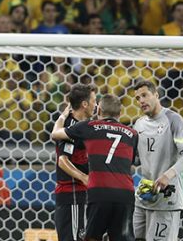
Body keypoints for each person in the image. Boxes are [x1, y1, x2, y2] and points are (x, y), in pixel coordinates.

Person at [52, 94, 138, 241]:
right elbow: (130, 162)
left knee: (92, 237)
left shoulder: (89, 127)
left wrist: (62, 116)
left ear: (99, 110)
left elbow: (56, 134)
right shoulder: (133, 134)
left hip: (100, 191)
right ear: (120, 113)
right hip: (125, 193)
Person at [131, 80, 183, 241]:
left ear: (156, 95)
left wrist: (167, 175)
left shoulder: (174, 120)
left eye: (145, 95)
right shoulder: (139, 124)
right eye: (138, 98)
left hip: (166, 199)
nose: (141, 101)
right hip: (144, 197)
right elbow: (133, 158)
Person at [54, 85, 95, 241]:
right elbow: (63, 161)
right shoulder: (71, 128)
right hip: (71, 193)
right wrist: (84, 177)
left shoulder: (77, 126)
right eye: (94, 100)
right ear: (84, 104)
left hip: (78, 195)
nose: (95, 105)